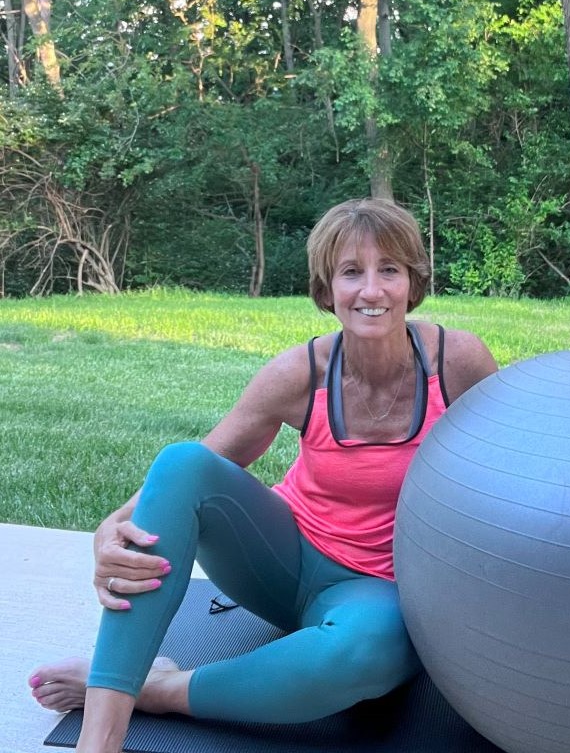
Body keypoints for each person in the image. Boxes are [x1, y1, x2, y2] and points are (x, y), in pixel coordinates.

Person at [29, 198, 498, 753]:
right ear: (327, 290)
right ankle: (100, 739)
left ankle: (163, 688)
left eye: (389, 270)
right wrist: (113, 527)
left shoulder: (457, 362)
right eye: (351, 272)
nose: (371, 291)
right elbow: (200, 467)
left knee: (369, 652)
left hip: (377, 591)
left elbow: (517, 466)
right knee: (180, 461)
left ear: (412, 283)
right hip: (281, 562)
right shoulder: (299, 372)